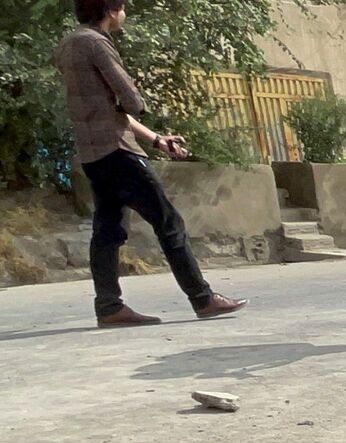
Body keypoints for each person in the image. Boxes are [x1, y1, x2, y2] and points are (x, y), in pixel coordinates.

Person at [54, 0, 247, 328]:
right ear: (111, 10)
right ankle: (203, 299)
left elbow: (108, 110)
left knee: (107, 231)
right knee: (168, 221)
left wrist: (157, 140)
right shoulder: (97, 43)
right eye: (123, 5)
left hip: (93, 154)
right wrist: (137, 103)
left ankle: (109, 306)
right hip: (119, 152)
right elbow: (129, 101)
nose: (125, 11)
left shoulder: (68, 45)